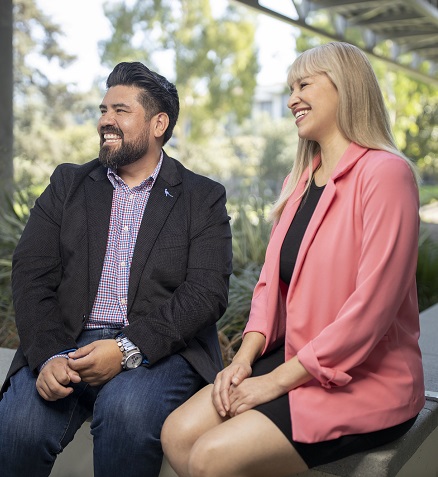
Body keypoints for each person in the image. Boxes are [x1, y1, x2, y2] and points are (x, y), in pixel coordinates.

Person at [161, 41, 425, 477]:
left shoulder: (386, 174)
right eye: (289, 88)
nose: (291, 100)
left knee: (212, 456)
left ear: (345, 87)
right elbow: (270, 286)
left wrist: (271, 383)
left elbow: (371, 311)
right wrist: (244, 361)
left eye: (304, 84)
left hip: (369, 379)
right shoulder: (298, 182)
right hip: (296, 358)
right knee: (176, 432)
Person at [0, 61, 232, 477]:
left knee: (126, 411)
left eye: (120, 111)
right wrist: (50, 354)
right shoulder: (68, 184)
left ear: (159, 123)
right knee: (18, 425)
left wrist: (127, 349)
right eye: (103, 110)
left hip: (160, 352)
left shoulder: (202, 197)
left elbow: (205, 292)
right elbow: (31, 272)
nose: (105, 120)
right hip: (66, 343)